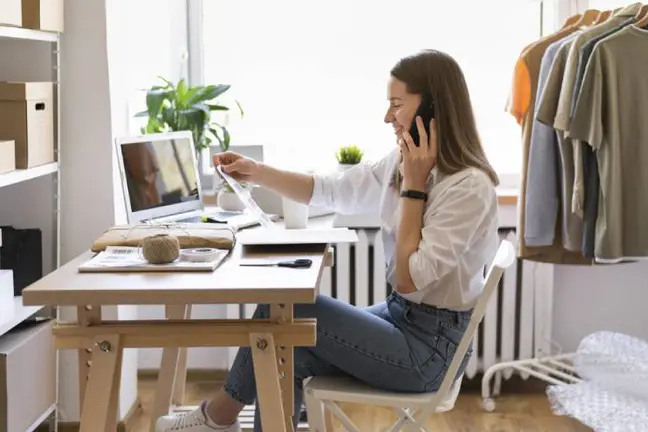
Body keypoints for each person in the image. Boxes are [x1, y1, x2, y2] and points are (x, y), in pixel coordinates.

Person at [155, 49, 501, 432]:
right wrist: (255, 171)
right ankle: (224, 418)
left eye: (397, 105)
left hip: (428, 353)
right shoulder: (403, 162)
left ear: (432, 107)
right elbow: (330, 190)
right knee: (287, 344)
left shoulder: (467, 187)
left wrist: (414, 190)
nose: (388, 117)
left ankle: (218, 417)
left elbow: (407, 279)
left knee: (284, 312)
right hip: (403, 319)